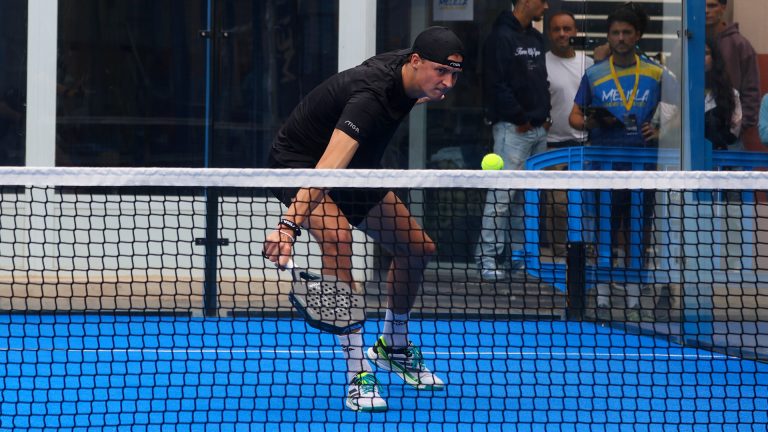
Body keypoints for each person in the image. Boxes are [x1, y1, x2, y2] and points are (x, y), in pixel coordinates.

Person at [261, 26, 463, 412]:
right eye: (441, 72)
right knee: (337, 238)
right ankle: (358, 374)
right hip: (301, 163)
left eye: (455, 74)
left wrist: (427, 87)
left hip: (356, 166)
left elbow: (348, 158)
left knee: (417, 249)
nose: (448, 83)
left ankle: (393, 347)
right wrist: (288, 227)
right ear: (415, 61)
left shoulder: (411, 71)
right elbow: (327, 167)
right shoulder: (370, 96)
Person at [568, 4, 677, 321]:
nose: (621, 38)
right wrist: (591, 122)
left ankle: (633, 298)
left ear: (637, 35)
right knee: (604, 229)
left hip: (643, 165)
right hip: (603, 164)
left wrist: (661, 130)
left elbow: (682, 109)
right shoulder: (594, 74)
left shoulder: (656, 72)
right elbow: (573, 116)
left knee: (637, 231)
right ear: (609, 36)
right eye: (615, 33)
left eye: (627, 32)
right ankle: (602, 297)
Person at [476, 0, 551, 282]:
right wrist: (520, 118)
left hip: (538, 130)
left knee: (525, 200)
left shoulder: (536, 38)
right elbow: (495, 85)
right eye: (542, 0)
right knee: (501, 198)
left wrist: (544, 117)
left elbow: (541, 81)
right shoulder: (499, 37)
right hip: (513, 130)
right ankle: (488, 259)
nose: (546, 6)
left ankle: (519, 257)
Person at [542, 11, 594, 258]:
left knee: (587, 200)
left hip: (585, 144)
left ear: (575, 32)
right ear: (549, 33)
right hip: (553, 146)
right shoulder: (541, 63)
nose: (562, 34)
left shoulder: (590, 63)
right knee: (559, 204)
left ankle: (587, 248)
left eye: (567, 29)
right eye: (557, 29)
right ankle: (560, 251)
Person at [705, 0, 761, 151]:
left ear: (723, 8)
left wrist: (738, 128)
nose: (706, 10)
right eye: (701, 5)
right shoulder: (687, 42)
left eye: (712, 5)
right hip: (693, 133)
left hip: (730, 137)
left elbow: (752, 91)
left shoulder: (740, 44)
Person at [704, 38, 742, 150]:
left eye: (706, 53)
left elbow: (733, 136)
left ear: (714, 58)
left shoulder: (731, 94)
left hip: (718, 155)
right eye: (698, 53)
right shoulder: (683, 91)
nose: (701, 58)